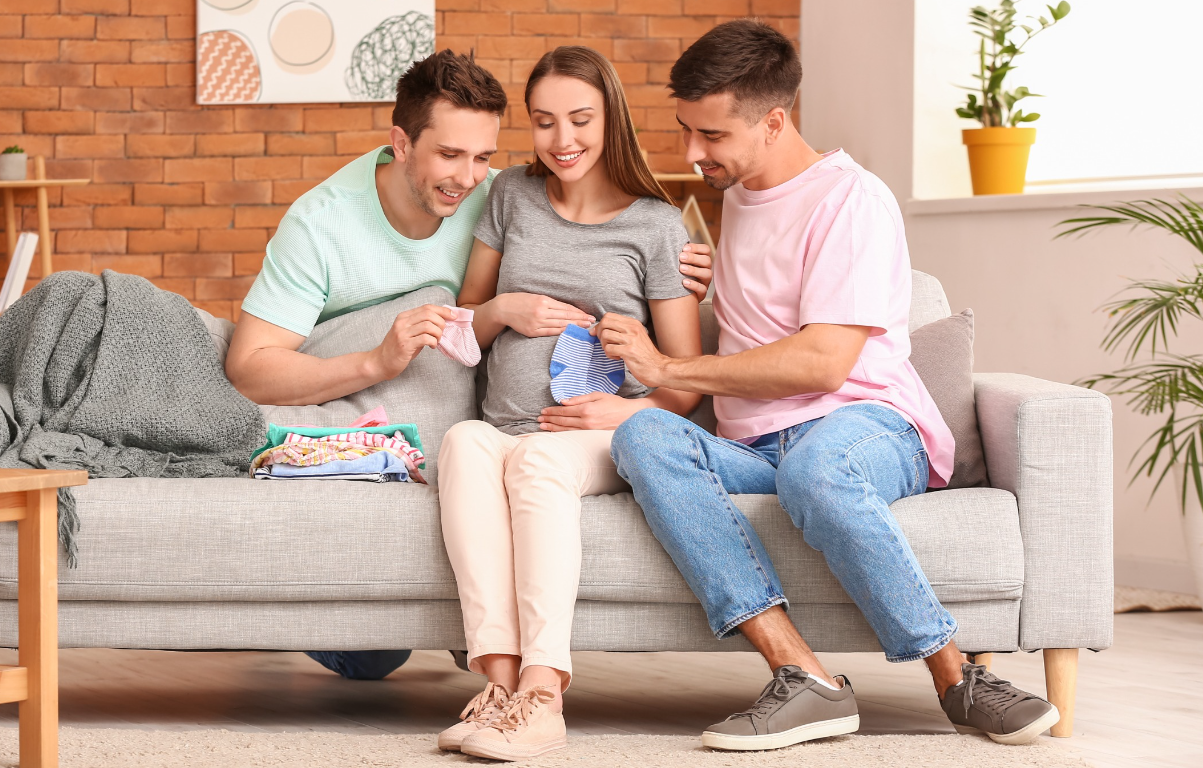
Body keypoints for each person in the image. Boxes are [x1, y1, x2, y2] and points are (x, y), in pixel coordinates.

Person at [603, 20, 1061, 751]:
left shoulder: (852, 199)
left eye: (711, 135)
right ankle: (804, 679)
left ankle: (959, 676)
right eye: (687, 130)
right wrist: (709, 284)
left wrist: (669, 369)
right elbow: (771, 313)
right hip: (758, 445)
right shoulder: (741, 194)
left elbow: (822, 363)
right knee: (643, 434)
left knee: (816, 470)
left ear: (774, 120)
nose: (692, 153)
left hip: (868, 425)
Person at [225, 51, 715, 682]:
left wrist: (694, 278)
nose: (468, 175)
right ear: (401, 144)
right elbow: (253, 369)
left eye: (482, 156)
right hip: (428, 422)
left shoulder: (564, 207)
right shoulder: (345, 222)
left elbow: (673, 359)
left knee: (520, 463)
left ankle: (532, 686)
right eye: (449, 155)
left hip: (556, 435)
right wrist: (407, 346)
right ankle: (468, 670)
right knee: (372, 655)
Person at [432, 47, 703, 762]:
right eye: (545, 122)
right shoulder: (512, 197)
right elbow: (466, 321)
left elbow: (684, 379)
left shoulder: (655, 225)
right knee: (462, 442)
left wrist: (628, 410)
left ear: (610, 117)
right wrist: (504, 309)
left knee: (542, 463)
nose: (563, 140)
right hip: (505, 425)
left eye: (580, 119)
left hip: (597, 434)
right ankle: (498, 689)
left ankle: (544, 695)